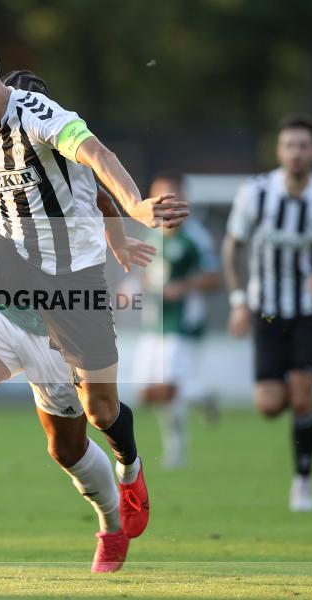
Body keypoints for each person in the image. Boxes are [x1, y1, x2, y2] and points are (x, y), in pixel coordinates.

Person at [0, 38, 188, 555]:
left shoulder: (42, 117)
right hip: (14, 294)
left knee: (94, 419)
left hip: (71, 295)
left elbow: (100, 166)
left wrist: (134, 213)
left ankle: (128, 475)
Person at [222, 114, 312, 512]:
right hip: (267, 310)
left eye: (304, 146)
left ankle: (302, 481)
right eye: (290, 145)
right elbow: (232, 246)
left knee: (302, 397)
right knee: (270, 405)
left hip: (310, 311)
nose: (296, 153)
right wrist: (237, 302)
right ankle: (297, 396)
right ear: (279, 151)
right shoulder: (255, 194)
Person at [128, 171, 222, 469]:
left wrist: (185, 287)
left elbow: (214, 277)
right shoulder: (152, 234)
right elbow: (147, 275)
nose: (163, 203)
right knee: (144, 392)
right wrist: (132, 287)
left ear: (184, 199)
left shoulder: (195, 237)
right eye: (158, 197)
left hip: (183, 324)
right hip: (154, 323)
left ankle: (176, 450)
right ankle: (202, 395)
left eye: (170, 196)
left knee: (168, 387)